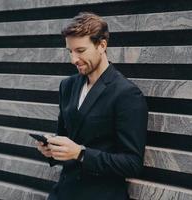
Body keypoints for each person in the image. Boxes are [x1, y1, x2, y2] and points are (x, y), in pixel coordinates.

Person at [36, 12, 148, 200]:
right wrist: (52, 149)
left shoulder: (127, 94)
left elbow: (132, 163)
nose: (73, 59)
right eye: (70, 51)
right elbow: (66, 136)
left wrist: (81, 154)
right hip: (63, 192)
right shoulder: (68, 86)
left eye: (80, 51)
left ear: (102, 45)